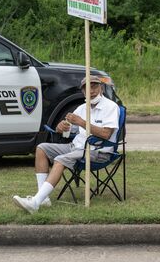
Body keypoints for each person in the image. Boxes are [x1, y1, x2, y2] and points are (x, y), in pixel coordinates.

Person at [11, 76, 119, 214]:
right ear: (83, 92)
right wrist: (61, 127)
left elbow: (106, 134)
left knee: (60, 159)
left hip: (98, 151)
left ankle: (35, 202)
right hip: (76, 147)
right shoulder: (81, 108)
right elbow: (68, 130)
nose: (91, 91)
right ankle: (44, 198)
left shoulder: (111, 107)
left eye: (94, 87)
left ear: (101, 88)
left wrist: (81, 122)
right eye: (87, 88)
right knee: (41, 148)